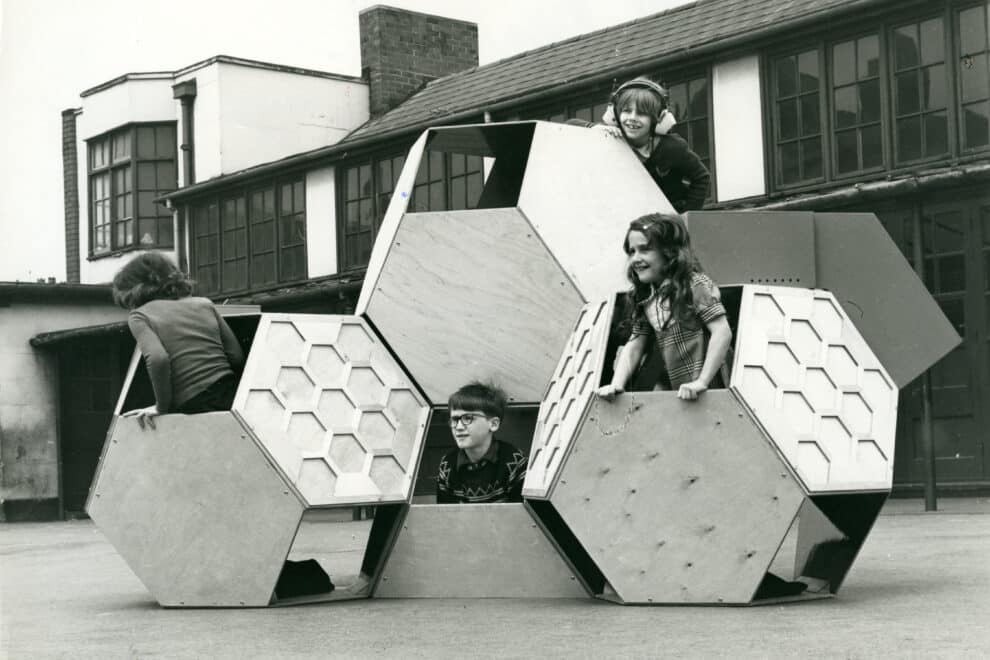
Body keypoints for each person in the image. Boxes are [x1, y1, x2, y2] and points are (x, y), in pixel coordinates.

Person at [597, 213, 732, 401]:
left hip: (711, 388)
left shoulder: (694, 285)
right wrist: (616, 384)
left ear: (668, 251)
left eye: (644, 249)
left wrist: (702, 381)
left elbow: (722, 332)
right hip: (678, 390)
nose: (635, 258)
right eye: (631, 251)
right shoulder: (646, 295)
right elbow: (635, 344)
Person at [112, 252, 245, 427]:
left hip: (194, 403)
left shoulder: (140, 316)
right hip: (231, 392)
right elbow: (236, 355)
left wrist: (161, 407)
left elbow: (158, 359)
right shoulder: (204, 304)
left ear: (132, 289)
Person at [569, 77, 710, 213]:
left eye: (642, 113)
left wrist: (685, 217)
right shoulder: (611, 139)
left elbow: (701, 177)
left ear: (659, 119)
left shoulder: (672, 147)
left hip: (667, 220)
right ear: (614, 114)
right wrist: (592, 128)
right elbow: (569, 125)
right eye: (626, 111)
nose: (632, 118)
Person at [436, 382, 528, 504]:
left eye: (467, 418)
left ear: (493, 424)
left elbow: (523, 519)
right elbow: (445, 518)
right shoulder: (447, 465)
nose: (458, 427)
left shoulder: (514, 461)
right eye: (454, 419)